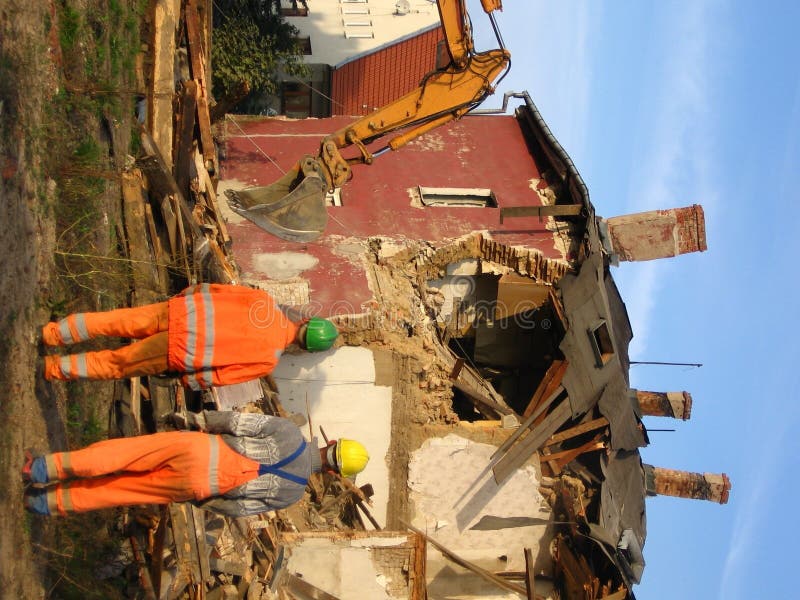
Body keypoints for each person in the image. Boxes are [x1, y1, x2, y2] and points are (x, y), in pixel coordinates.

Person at [21, 410, 370, 517]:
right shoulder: (292, 495)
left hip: (199, 449)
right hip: (199, 486)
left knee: (121, 455)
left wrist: (198, 419)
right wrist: (202, 497)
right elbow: (237, 509)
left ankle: (40, 470)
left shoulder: (290, 433)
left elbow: (235, 423)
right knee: (120, 490)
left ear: (331, 444)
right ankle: (45, 503)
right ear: (332, 473)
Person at [41, 283, 339, 390]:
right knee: (118, 364)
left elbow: (213, 290)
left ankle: (54, 333)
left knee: (117, 321)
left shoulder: (263, 300)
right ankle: (55, 368)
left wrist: (188, 296)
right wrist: (185, 380)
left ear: (306, 319)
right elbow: (216, 378)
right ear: (305, 349)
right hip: (179, 350)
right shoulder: (267, 362)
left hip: (180, 312)